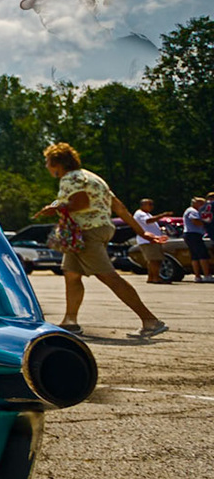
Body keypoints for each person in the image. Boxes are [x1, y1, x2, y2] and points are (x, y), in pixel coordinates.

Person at [35, 143, 166, 339]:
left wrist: (56, 208)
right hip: (101, 229)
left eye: (47, 161)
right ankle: (70, 322)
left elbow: (80, 203)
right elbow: (120, 208)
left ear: (56, 163)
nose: (46, 165)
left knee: (108, 276)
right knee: (71, 274)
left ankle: (150, 321)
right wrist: (143, 232)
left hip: (86, 232)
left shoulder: (69, 179)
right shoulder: (92, 178)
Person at [132, 198, 174, 284]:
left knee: (154, 260)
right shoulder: (140, 214)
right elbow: (148, 221)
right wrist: (162, 215)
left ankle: (151, 277)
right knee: (155, 260)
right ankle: (156, 277)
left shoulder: (147, 214)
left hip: (152, 240)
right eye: (149, 204)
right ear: (143, 205)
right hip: (148, 240)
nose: (152, 206)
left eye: (152, 204)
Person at [185, 194, 213, 283]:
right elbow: (195, 221)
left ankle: (197, 276)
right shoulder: (193, 211)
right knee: (203, 255)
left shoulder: (190, 210)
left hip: (190, 235)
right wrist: (207, 224)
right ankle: (207, 275)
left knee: (195, 257)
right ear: (196, 203)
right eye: (201, 203)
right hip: (194, 235)